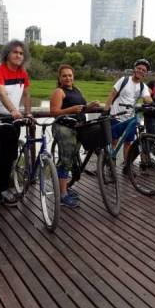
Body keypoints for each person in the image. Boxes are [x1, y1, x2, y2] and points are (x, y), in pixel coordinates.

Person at [0, 40, 31, 206]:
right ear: (7, 54)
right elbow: (2, 94)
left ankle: (2, 190)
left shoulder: (22, 73)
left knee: (9, 157)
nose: (18, 55)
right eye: (15, 52)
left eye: (21, 53)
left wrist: (29, 113)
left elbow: (26, 95)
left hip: (12, 119)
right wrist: (13, 111)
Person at [50, 64, 100, 208]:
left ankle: (64, 187)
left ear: (73, 77)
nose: (68, 78)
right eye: (64, 75)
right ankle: (63, 195)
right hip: (64, 127)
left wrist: (90, 106)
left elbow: (81, 109)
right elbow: (53, 112)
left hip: (78, 127)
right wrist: (70, 109)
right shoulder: (59, 91)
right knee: (65, 160)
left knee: (72, 157)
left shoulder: (77, 90)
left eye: (70, 75)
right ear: (59, 78)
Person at [103, 59, 152, 161]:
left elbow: (147, 98)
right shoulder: (124, 80)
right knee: (114, 141)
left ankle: (127, 165)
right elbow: (112, 95)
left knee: (128, 143)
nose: (141, 71)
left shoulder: (143, 86)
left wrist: (153, 103)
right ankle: (110, 162)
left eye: (143, 70)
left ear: (146, 73)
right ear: (134, 69)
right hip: (116, 115)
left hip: (130, 118)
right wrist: (105, 111)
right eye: (139, 68)